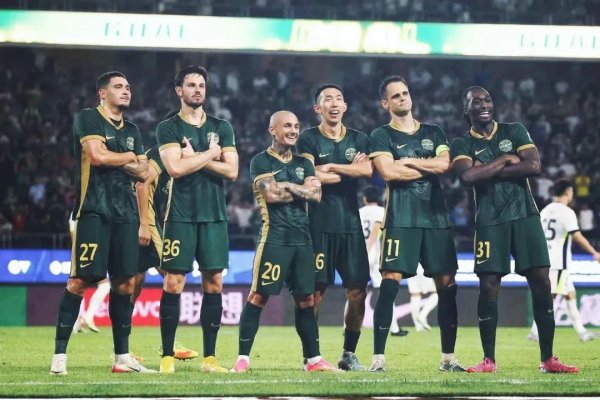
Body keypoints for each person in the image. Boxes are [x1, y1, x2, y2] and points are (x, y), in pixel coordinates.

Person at [450, 85, 578, 374]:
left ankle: (548, 359)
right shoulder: (461, 143)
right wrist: (506, 160)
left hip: (525, 216)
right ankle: (489, 360)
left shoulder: (514, 130)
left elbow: (533, 166)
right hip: (489, 222)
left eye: (487, 99)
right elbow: (468, 177)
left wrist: (487, 169)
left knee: (542, 283)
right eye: (476, 102)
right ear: (466, 110)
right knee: (488, 286)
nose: (484, 105)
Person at [50, 71, 153, 375]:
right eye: (119, 86)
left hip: (126, 214)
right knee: (80, 281)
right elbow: (96, 156)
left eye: (128, 87)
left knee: (124, 283)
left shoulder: (132, 129)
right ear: (103, 93)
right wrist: (129, 157)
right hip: (94, 210)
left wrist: (144, 221)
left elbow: (144, 174)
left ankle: (122, 358)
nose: (126, 91)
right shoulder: (88, 118)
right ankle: (59, 356)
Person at [231, 110, 340, 373]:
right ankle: (242, 359)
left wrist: (288, 185)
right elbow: (272, 196)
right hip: (275, 237)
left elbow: (315, 195)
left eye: (296, 126)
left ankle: (313, 360)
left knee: (307, 300)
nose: (293, 131)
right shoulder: (261, 160)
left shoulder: (304, 162)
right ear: (273, 130)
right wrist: (299, 188)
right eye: (287, 126)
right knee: (259, 296)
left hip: (303, 240)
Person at [368, 75, 464, 373]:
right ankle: (378, 359)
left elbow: (445, 165)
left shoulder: (434, 132)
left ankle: (449, 358)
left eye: (405, 93)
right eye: (395, 96)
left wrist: (408, 162)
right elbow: (388, 173)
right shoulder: (381, 135)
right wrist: (427, 166)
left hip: (435, 219)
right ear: (385, 103)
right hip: (401, 218)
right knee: (389, 284)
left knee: (447, 285)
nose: (403, 98)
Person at [157, 65, 238, 374]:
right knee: (173, 281)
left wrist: (194, 157)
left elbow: (232, 171)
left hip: (214, 216)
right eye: (191, 84)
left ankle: (210, 359)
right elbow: (175, 169)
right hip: (180, 216)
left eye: (201, 85)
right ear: (179, 90)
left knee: (214, 283)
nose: (197, 89)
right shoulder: (168, 127)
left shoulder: (222, 126)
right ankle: (167, 356)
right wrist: (211, 154)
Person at [296, 84, 372, 371]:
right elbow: (308, 175)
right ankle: (312, 356)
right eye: (328, 99)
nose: (334, 103)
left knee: (358, 291)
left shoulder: (359, 138)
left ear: (345, 106)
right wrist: (349, 169)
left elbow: (367, 170)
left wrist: (331, 167)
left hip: (350, 225)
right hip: (318, 225)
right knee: (315, 293)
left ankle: (348, 354)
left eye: (339, 98)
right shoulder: (308, 138)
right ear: (318, 108)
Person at [133, 143, 199, 360]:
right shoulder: (161, 154)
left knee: (134, 284)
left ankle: (123, 349)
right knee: (174, 275)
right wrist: (144, 224)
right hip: (145, 221)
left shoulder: (173, 159)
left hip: (141, 220)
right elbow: (141, 183)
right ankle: (168, 345)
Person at [528, 179, 600, 342]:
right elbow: (577, 236)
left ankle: (582, 333)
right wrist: (594, 252)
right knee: (551, 298)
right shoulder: (567, 212)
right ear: (568, 192)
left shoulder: (546, 210)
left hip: (545, 258)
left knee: (569, 295)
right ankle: (534, 332)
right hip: (559, 262)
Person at [359, 186, 407, 337]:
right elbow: (376, 229)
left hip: (359, 253)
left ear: (365, 198)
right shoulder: (381, 211)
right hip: (374, 254)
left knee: (356, 290)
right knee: (386, 291)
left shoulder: (359, 212)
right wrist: (370, 250)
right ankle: (394, 328)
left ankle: (347, 326)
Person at [407, 266, 438, 332]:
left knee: (415, 295)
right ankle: (422, 315)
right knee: (437, 293)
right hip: (422, 266)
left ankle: (418, 327)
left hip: (409, 267)